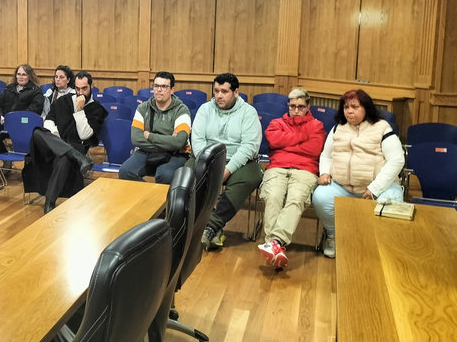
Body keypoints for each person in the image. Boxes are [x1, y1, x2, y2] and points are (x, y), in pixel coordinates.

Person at [312, 89, 404, 258]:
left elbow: (397, 160)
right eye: (346, 107)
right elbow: (326, 155)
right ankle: (333, 235)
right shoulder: (338, 128)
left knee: (392, 203)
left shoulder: (382, 128)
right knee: (320, 197)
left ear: (366, 108)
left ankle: (380, 244)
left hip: (378, 188)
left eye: (355, 107)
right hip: (343, 186)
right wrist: (324, 172)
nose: (349, 111)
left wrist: (375, 188)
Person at [191, 73, 263, 251]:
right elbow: (198, 140)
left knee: (248, 179)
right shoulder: (205, 109)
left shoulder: (248, 112)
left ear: (236, 92)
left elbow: (249, 146)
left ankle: (210, 226)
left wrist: (228, 169)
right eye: (216, 91)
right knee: (186, 174)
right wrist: (209, 165)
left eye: (224, 91)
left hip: (240, 160)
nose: (219, 95)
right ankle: (200, 226)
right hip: (208, 158)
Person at [257, 88, 325, 269]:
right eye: (293, 106)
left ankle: (274, 242)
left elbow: (314, 150)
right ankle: (275, 248)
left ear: (307, 106)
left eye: (300, 107)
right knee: (273, 197)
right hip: (277, 167)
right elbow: (274, 141)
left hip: (305, 170)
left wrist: (287, 141)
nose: (296, 110)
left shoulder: (316, 125)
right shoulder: (276, 122)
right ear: (288, 105)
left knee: (296, 199)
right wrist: (302, 137)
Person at [23, 71, 107, 213]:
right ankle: (78, 157)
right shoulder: (64, 100)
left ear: (92, 86)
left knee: (64, 158)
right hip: (54, 144)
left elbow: (85, 135)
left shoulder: (97, 109)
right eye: (77, 89)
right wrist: (56, 137)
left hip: (76, 145)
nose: (80, 93)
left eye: (84, 89)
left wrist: (80, 110)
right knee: (38, 132)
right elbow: (49, 120)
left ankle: (49, 202)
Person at [118, 71, 191, 184]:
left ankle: (162, 200)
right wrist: (168, 142)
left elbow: (179, 142)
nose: (159, 89)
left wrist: (149, 135)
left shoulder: (182, 110)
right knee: (125, 171)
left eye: (164, 86)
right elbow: (136, 138)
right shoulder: (142, 108)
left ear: (172, 90)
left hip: (177, 154)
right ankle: (147, 198)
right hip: (147, 151)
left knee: (165, 175)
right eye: (156, 86)